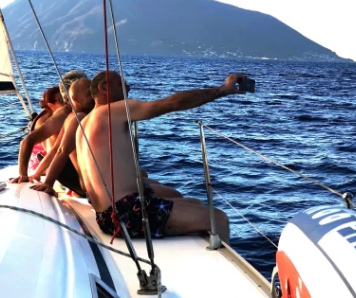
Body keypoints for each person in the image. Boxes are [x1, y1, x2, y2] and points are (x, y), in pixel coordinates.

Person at [76, 71, 248, 241]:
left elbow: (83, 183)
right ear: (104, 86)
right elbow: (171, 103)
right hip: (127, 215)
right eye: (123, 85)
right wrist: (222, 90)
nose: (127, 90)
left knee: (195, 203)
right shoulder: (113, 111)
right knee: (218, 218)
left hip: (105, 217)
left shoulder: (83, 125)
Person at [10, 70, 86, 189]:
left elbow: (56, 150)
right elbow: (28, 141)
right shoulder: (65, 115)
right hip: (81, 180)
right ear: (68, 97)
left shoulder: (90, 109)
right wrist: (23, 175)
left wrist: (37, 174)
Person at [30, 78, 95, 196]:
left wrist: (37, 174)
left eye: (94, 92)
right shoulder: (77, 117)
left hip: (73, 179)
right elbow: (60, 151)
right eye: (89, 94)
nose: (93, 97)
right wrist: (48, 183)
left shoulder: (71, 116)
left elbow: (56, 149)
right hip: (83, 183)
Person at [27, 86, 64, 174]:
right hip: (43, 163)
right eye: (61, 101)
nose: (66, 102)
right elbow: (54, 152)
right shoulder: (47, 122)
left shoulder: (58, 115)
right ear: (51, 105)